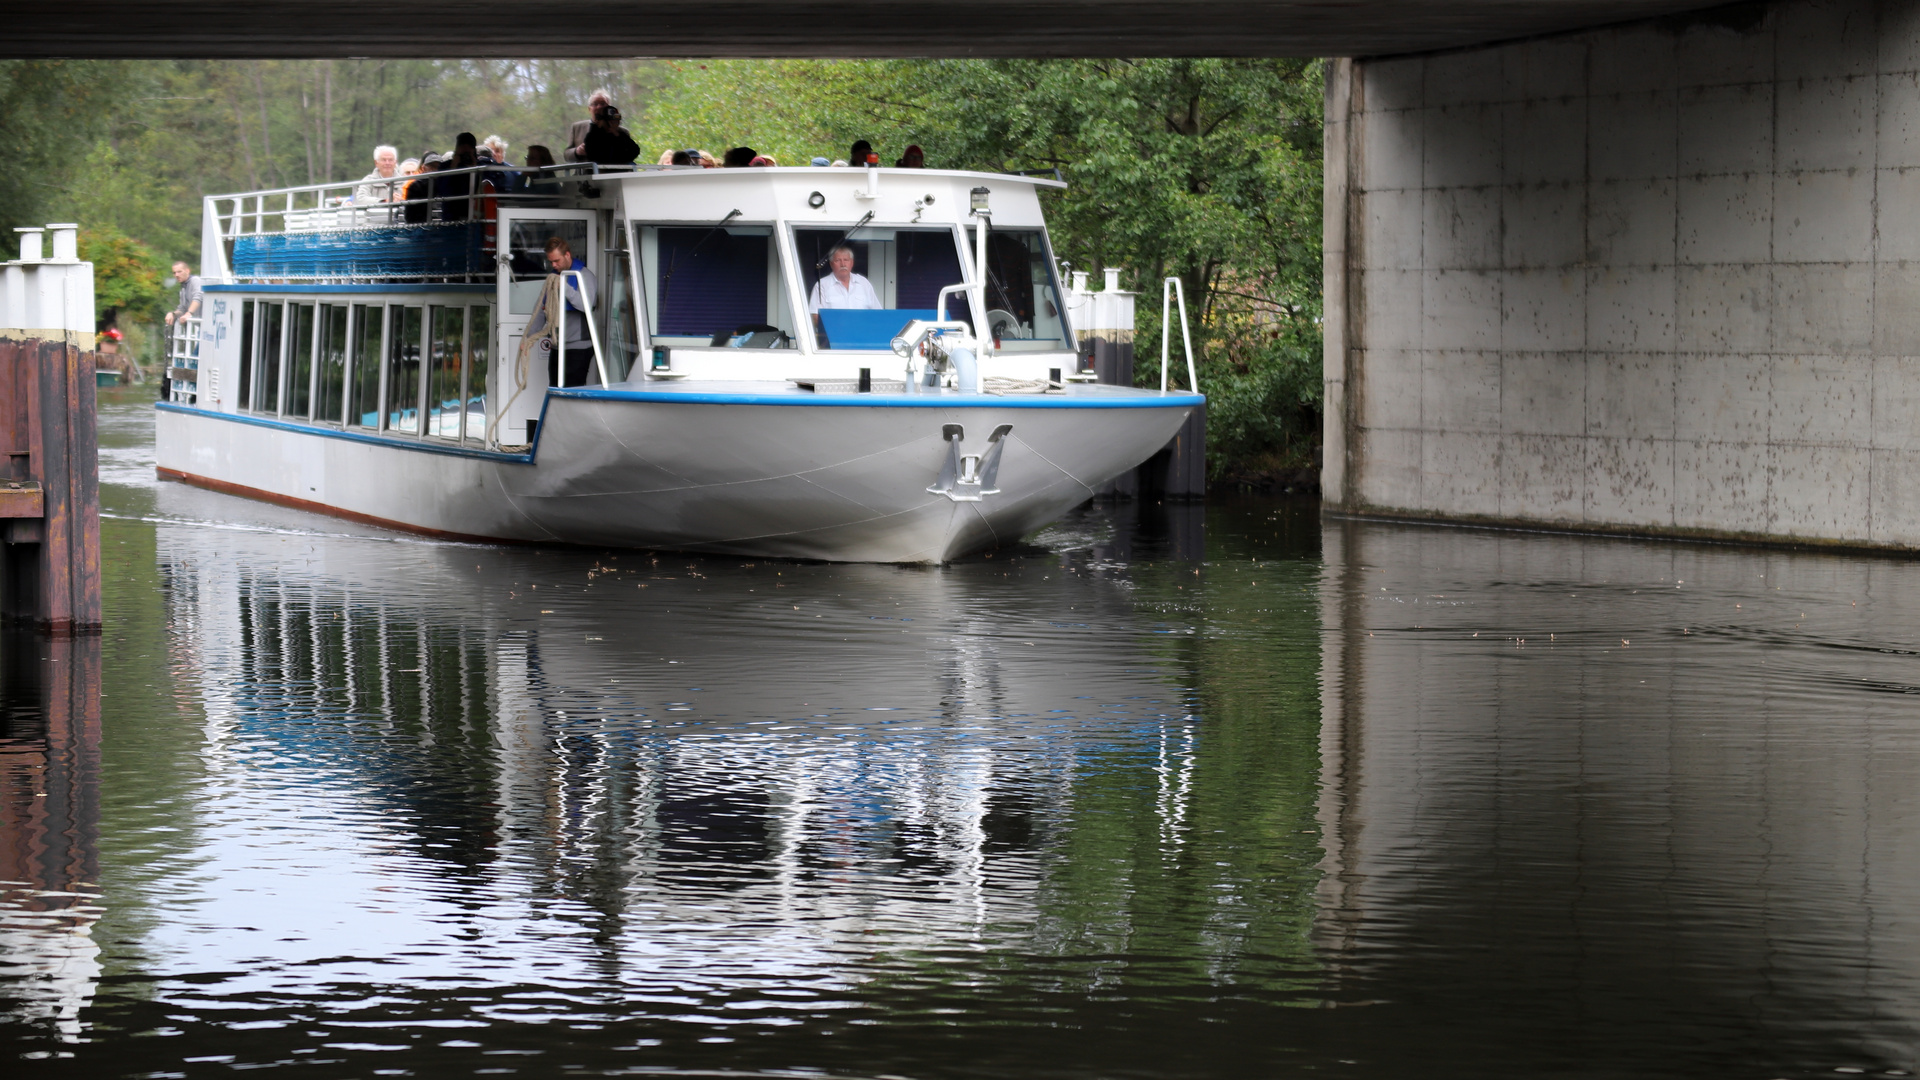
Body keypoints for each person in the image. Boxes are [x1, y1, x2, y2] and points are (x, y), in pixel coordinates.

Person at [523, 236, 600, 388]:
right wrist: (528, 338)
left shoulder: (585, 276)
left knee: (572, 391)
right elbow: (540, 308)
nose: (554, 265)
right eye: (551, 262)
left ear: (567, 255)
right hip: (558, 346)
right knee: (555, 388)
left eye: (557, 261)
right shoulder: (552, 278)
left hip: (578, 347)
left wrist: (565, 287)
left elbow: (587, 305)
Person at [565, 89, 633, 163]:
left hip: (612, 173)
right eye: (595, 104)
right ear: (589, 109)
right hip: (585, 173)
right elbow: (567, 155)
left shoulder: (622, 132)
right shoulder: (577, 128)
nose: (599, 107)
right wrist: (577, 151)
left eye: (603, 104)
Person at [808, 244, 880, 312]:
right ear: (831, 264)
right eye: (838, 260)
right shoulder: (822, 285)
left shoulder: (864, 283)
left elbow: (877, 312)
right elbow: (815, 316)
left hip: (862, 325)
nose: (843, 264)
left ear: (852, 263)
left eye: (846, 260)